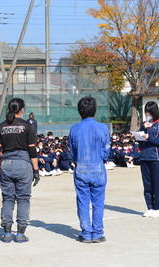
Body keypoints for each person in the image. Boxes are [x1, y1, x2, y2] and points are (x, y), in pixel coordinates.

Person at [0, 98, 40, 243]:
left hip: (6, 163)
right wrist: (36, 170)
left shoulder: (2, 126)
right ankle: (20, 233)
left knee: (7, 198)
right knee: (23, 199)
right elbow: (32, 150)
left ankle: (7, 232)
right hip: (23, 163)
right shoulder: (27, 126)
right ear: (22, 110)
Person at [69, 96, 110, 243]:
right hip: (98, 167)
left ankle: (86, 233)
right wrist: (102, 159)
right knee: (98, 202)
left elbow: (72, 152)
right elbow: (106, 150)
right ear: (95, 110)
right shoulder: (103, 128)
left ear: (80, 111)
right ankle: (98, 233)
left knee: (83, 201)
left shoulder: (74, 129)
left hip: (81, 168)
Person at [138, 101, 159, 218]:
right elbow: (139, 139)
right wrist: (140, 133)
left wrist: (149, 136)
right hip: (144, 157)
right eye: (146, 113)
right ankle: (149, 207)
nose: (147, 115)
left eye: (149, 113)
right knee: (147, 185)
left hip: (156, 158)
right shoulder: (144, 124)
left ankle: (158, 208)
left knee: (156, 184)